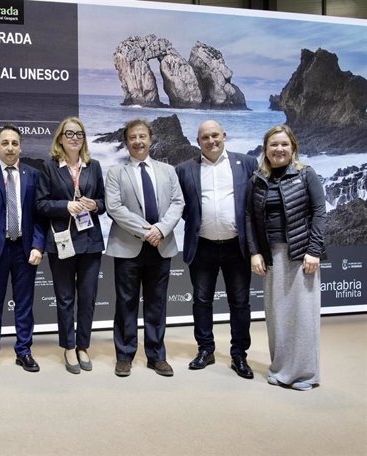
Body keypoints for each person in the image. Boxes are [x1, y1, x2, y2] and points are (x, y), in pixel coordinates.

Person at [175, 120, 258, 379]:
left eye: (215, 136)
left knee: (240, 303)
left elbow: (254, 205)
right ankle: (205, 350)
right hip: (202, 246)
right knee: (201, 301)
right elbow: (181, 207)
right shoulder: (184, 169)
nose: (211, 141)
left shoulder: (246, 163)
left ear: (224, 136)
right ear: (197, 141)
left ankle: (239, 355)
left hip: (237, 247)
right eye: (205, 137)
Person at [247, 124, 326, 391]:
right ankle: (280, 369)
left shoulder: (307, 175)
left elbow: (319, 213)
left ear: (293, 147)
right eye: (273, 145)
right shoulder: (258, 179)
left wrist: (314, 251)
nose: (278, 149)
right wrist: (254, 251)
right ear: (266, 150)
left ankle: (305, 374)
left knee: (303, 316)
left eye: (284, 144)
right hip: (272, 255)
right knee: (277, 315)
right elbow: (249, 218)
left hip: (301, 254)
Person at [105, 119, 184, 377]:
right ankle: (125, 356)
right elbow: (115, 208)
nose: (138, 142)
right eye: (132, 138)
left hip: (161, 245)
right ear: (126, 141)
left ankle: (156, 356)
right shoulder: (116, 173)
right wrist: (146, 231)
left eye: (142, 137)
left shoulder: (167, 170)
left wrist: (160, 229)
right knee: (126, 303)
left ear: (151, 139)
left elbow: (177, 203)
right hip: (128, 246)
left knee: (156, 304)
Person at [0, 125, 46, 376]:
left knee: (24, 304)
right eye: (5, 143)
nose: (10, 147)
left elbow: (39, 216)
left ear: (21, 146)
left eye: (14, 143)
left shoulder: (33, 174)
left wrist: (38, 245)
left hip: (24, 249)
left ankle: (24, 351)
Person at [36, 116, 105, 374]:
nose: (74, 138)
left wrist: (95, 204)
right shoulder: (49, 167)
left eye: (79, 134)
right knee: (65, 298)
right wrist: (65, 206)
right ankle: (68, 346)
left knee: (87, 298)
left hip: (90, 242)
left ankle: (83, 346)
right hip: (62, 241)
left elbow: (104, 202)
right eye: (69, 134)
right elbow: (40, 204)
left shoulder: (94, 166)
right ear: (60, 138)